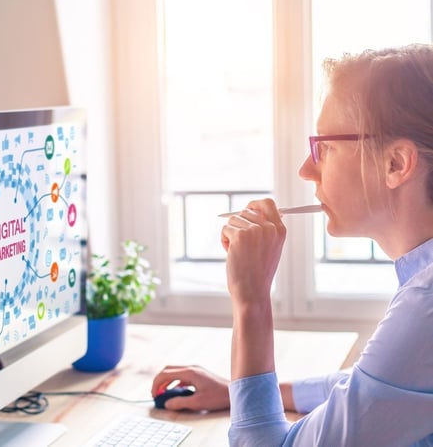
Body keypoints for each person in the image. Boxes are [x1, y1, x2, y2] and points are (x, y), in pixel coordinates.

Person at [152, 44, 433, 445]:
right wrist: (241, 393)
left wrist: (251, 301)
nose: (306, 169)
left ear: (396, 164)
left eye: (326, 147)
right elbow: (378, 386)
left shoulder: (425, 306)